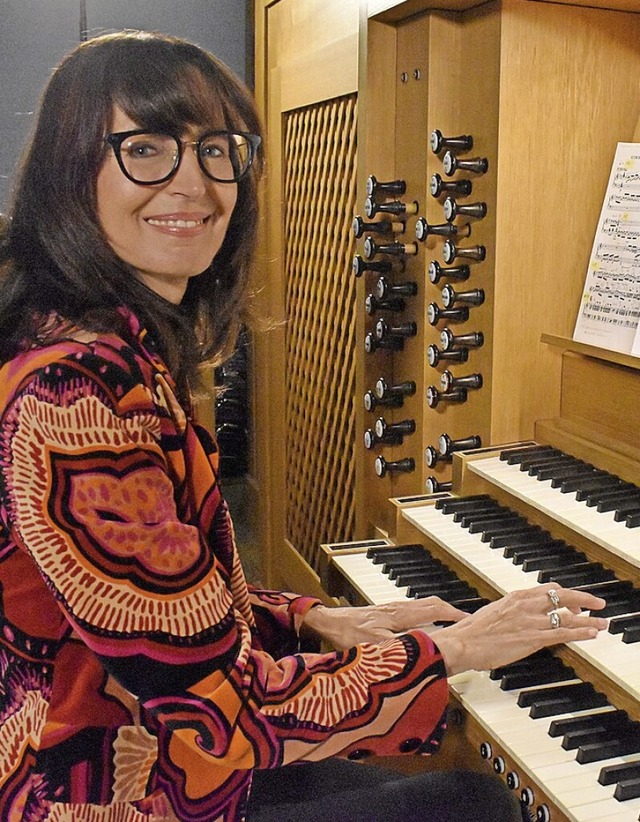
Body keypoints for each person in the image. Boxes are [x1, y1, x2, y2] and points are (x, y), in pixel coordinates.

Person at [0, 31, 607, 822]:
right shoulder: (73, 399)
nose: (193, 184)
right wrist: (449, 650)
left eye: (217, 151)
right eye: (145, 149)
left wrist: (316, 617)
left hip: (121, 734)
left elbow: (153, 602)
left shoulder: (103, 343)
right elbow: (208, 707)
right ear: (70, 170)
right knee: (476, 805)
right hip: (99, 785)